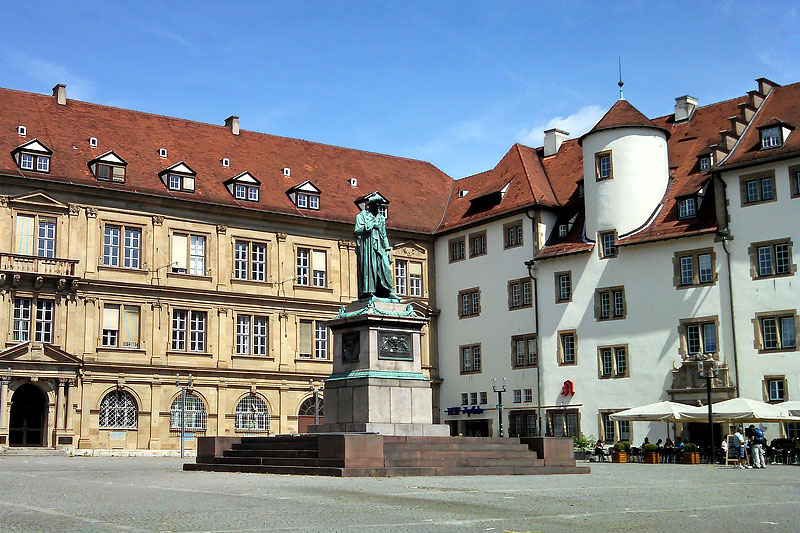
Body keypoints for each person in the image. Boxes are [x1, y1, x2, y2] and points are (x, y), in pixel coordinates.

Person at [354, 196, 398, 300]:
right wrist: (371, 225)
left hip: (380, 246)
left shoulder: (381, 218)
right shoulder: (361, 216)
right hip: (367, 246)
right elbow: (357, 231)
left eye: (379, 205)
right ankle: (369, 291)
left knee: (385, 267)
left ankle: (388, 291)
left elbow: (384, 235)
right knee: (371, 267)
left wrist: (387, 249)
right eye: (376, 205)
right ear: (371, 205)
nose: (378, 208)